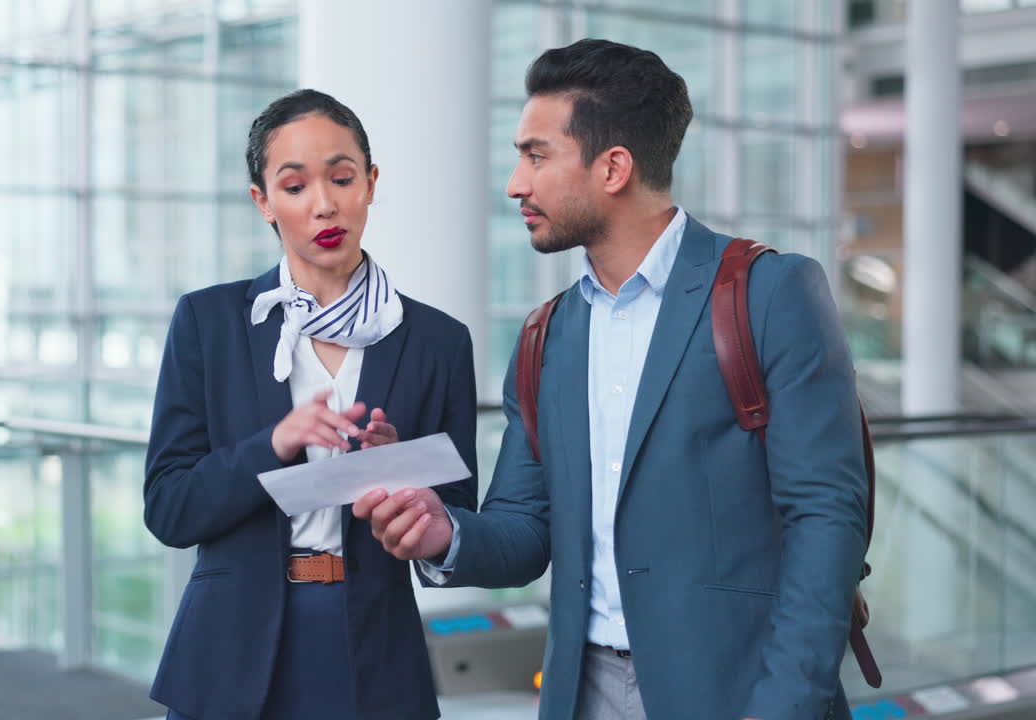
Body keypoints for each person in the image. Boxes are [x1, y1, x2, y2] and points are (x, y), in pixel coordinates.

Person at [355, 39, 868, 720]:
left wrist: (783, 707)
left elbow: (826, 519)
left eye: (537, 155)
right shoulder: (545, 336)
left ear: (614, 167)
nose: (516, 182)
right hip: (580, 694)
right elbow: (524, 528)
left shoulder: (769, 293)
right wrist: (442, 530)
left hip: (737, 693)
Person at [144, 88, 478, 720]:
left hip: (373, 646)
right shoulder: (208, 323)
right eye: (294, 187)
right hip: (231, 646)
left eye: (343, 178)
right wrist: (275, 443)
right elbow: (169, 509)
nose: (325, 204)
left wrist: (402, 476)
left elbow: (455, 520)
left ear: (371, 183)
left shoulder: (438, 341)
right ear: (262, 202)